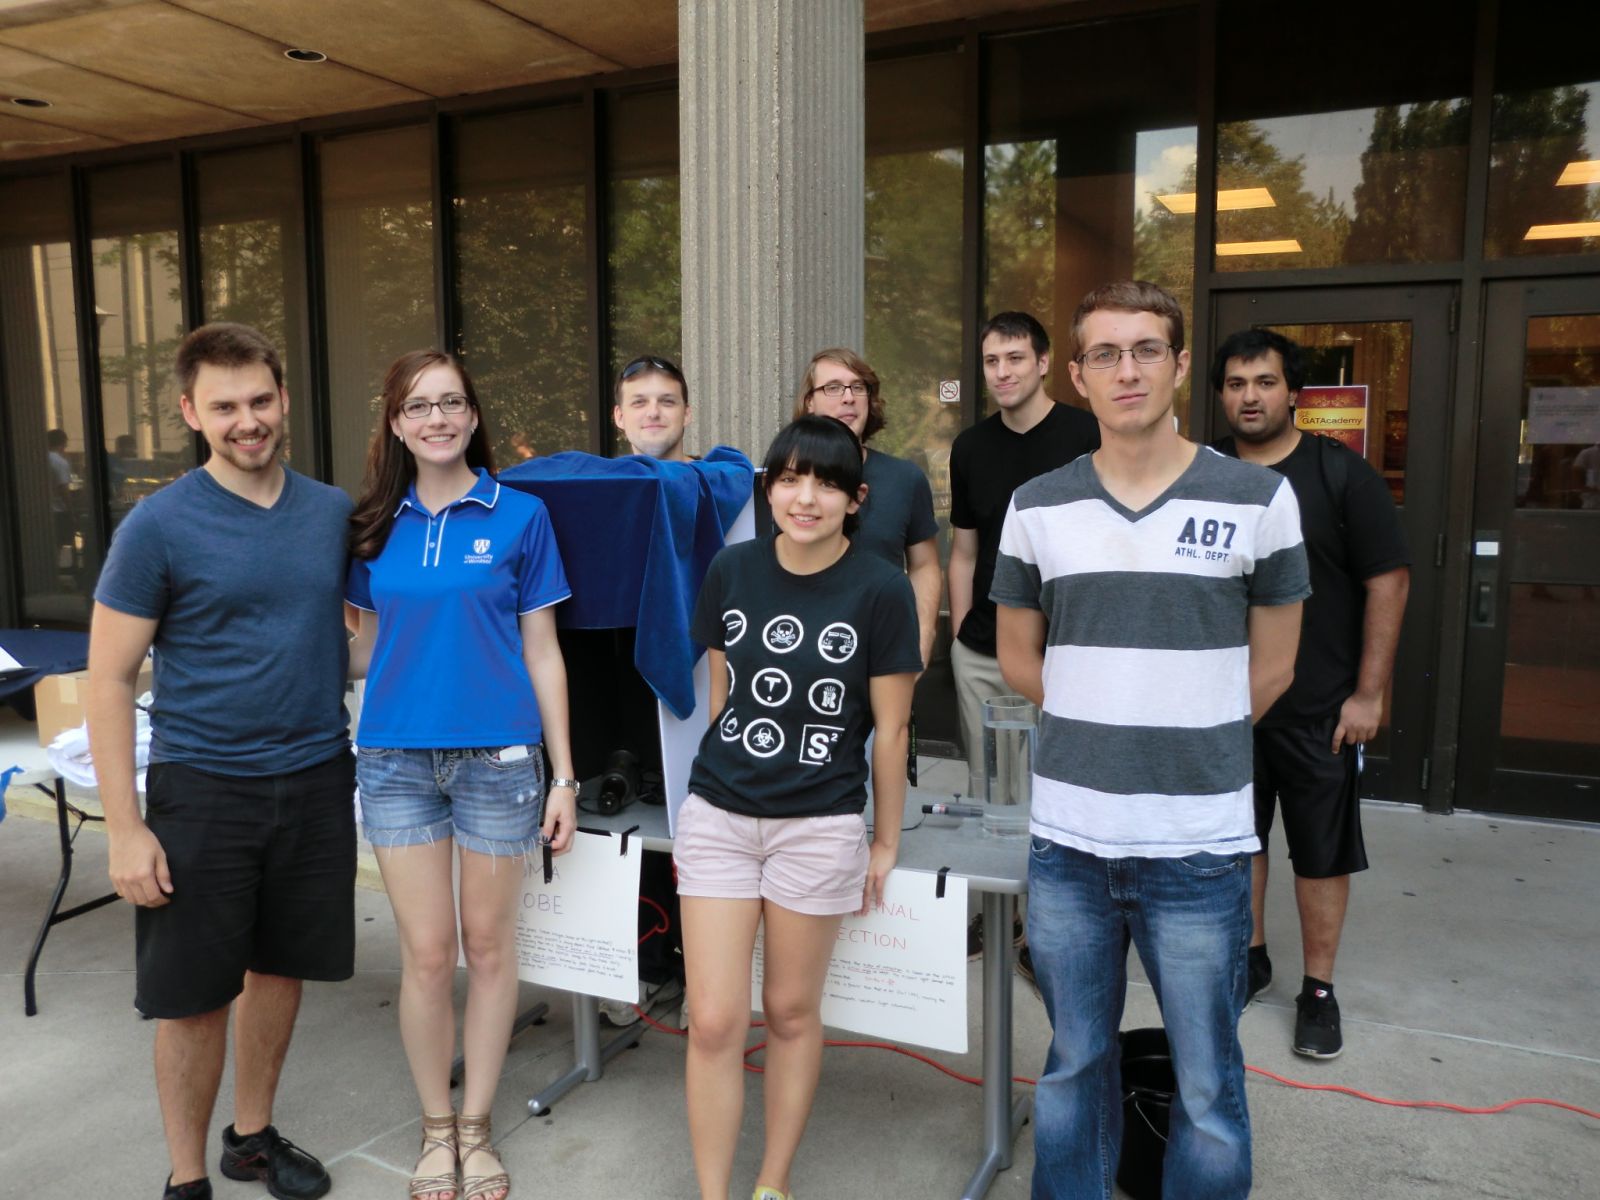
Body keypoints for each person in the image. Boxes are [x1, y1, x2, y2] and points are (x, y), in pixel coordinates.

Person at [993, 281, 1309, 1200]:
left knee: (1208, 1082)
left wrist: (1180, 724)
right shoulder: (1037, 505)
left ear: (1179, 365)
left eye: (1145, 350)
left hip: (1200, 846)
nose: (1125, 369)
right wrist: (1110, 710)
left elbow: (1276, 666)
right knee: (1072, 1064)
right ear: (1079, 376)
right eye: (1104, 354)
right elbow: (1018, 655)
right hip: (1069, 844)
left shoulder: (1257, 497)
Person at [86, 322, 357, 1200]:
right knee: (194, 996)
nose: (248, 420)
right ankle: (188, 1177)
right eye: (225, 406)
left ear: (284, 398)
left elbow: (340, 645)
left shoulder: (328, 513)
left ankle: (251, 1136)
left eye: (260, 400)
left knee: (278, 967)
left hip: (317, 777)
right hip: (203, 788)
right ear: (190, 413)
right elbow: (108, 679)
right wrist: (126, 829)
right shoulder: (157, 526)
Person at [346, 349, 578, 1200]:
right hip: (396, 758)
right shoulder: (372, 526)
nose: (436, 419)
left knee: (487, 948)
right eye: (418, 407)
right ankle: (433, 1128)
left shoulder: (521, 516)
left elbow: (543, 652)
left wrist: (566, 777)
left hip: (501, 761)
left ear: (473, 416)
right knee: (426, 952)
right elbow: (366, 650)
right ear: (397, 424)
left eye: (451, 404)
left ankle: (476, 1129)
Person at [676, 415, 920, 1200]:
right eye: (788, 479)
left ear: (856, 498)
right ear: (770, 488)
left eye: (825, 483)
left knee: (787, 1011)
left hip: (818, 822)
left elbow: (891, 729)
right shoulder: (732, 569)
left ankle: (771, 1183)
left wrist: (883, 840)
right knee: (713, 1020)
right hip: (719, 812)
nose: (804, 497)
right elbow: (722, 690)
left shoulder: (881, 586)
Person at [1213, 328, 1410, 1058]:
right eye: (1235, 384)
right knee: (1239, 842)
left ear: (1292, 392)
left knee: (1321, 854)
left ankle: (1319, 989)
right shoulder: (1203, 473)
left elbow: (1387, 580)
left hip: (1321, 709)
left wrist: (1368, 694)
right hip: (1228, 705)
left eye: (1263, 382)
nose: (1249, 396)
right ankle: (1252, 957)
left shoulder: (1340, 475)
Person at [947, 312, 1099, 799]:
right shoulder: (969, 447)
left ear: (1043, 363)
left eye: (1015, 358)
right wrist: (959, 640)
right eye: (991, 361)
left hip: (1064, 651)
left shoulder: (1089, 438)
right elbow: (964, 552)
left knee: (1060, 791)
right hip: (982, 653)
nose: (1002, 372)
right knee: (990, 794)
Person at [793, 347, 940, 669]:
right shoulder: (784, 482)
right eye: (833, 387)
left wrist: (922, 638)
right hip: (802, 659)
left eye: (858, 387)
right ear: (809, 402)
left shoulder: (905, 478)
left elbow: (924, 565)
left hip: (885, 656)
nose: (848, 397)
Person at [615, 353, 693, 460]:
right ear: (620, 417)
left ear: (686, 414)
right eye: (639, 402)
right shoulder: (605, 476)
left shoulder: (717, 476)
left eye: (667, 401)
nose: (653, 413)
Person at [46, 427, 74, 557]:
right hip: (58, 511)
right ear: (63, 443)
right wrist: (71, 510)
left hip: (43, 511)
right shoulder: (60, 462)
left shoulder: (39, 459)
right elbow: (63, 488)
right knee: (58, 545)